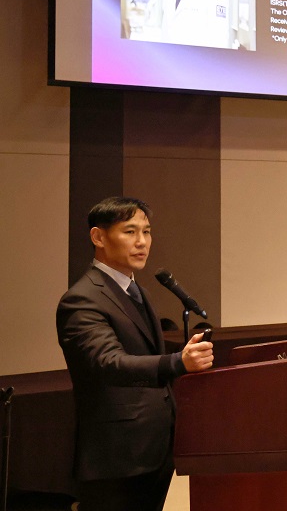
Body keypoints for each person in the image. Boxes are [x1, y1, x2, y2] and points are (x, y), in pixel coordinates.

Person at [56, 197, 214, 511]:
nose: (142, 242)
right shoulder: (81, 299)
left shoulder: (136, 290)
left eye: (147, 231)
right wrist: (177, 362)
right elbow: (107, 362)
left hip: (155, 446)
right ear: (98, 237)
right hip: (118, 456)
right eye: (130, 232)